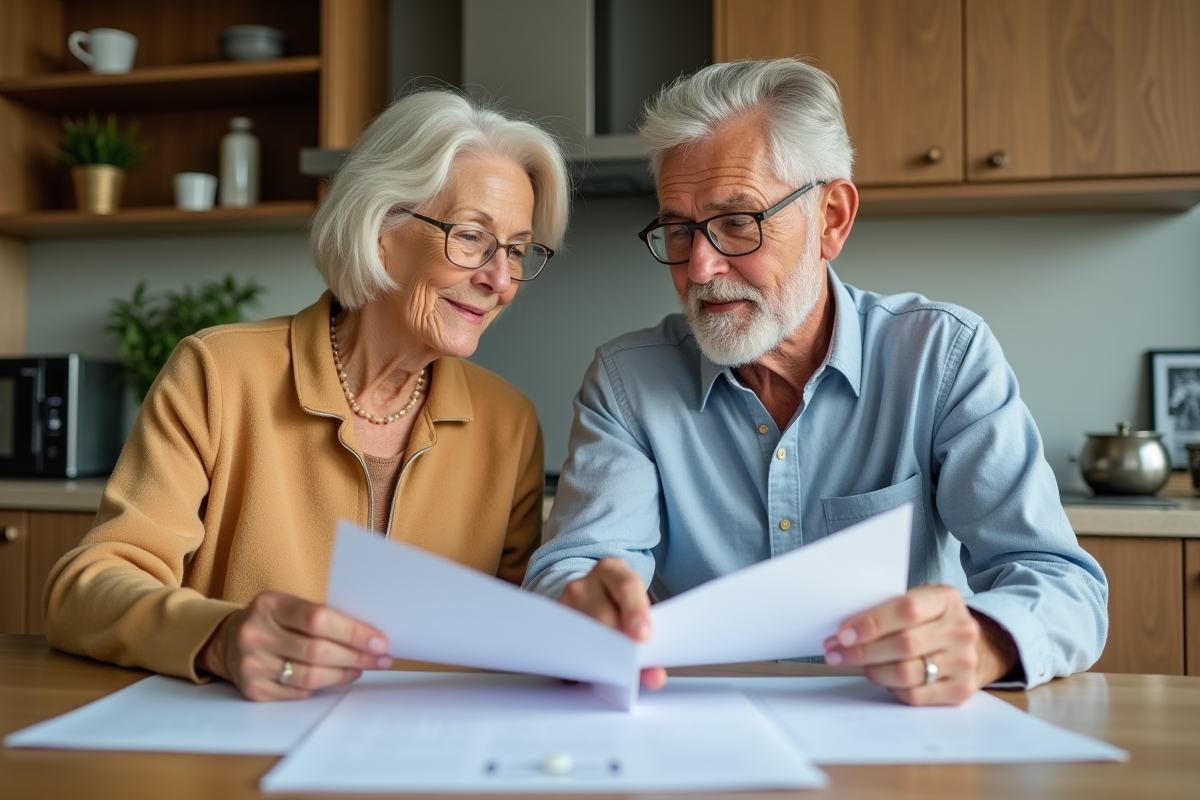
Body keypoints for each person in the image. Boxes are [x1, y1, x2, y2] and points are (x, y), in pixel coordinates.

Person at [524, 59, 1107, 706]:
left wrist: (986, 640)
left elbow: (1062, 584)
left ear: (830, 218)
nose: (699, 265)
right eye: (679, 228)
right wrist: (585, 606)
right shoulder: (627, 382)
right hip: (700, 738)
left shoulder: (941, 358)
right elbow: (573, 569)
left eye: (737, 221)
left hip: (897, 738)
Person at [44, 90, 570, 701]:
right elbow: (84, 590)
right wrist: (219, 637)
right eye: (473, 238)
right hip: (239, 746)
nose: (500, 280)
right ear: (380, 227)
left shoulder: (509, 424)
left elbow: (516, 635)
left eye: (516, 250)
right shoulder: (218, 374)